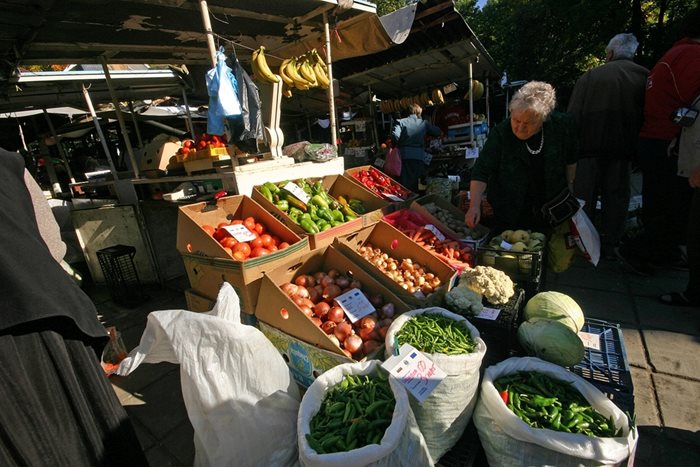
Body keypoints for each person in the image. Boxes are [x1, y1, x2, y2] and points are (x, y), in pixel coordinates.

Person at [0, 147, 148, 466]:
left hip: (16, 340)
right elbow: (52, 244)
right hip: (49, 315)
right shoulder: (7, 163)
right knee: (88, 429)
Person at [616, 8, 700, 276]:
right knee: (671, 208)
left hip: (655, 139)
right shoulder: (691, 56)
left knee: (660, 204)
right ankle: (642, 252)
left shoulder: (674, 55)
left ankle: (659, 252)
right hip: (669, 143)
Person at [567, 33, 649, 258]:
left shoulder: (592, 76)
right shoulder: (646, 77)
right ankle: (612, 243)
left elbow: (573, 116)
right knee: (617, 197)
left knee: (584, 197)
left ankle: (584, 243)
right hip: (624, 151)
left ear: (610, 53)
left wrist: (569, 151)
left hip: (589, 148)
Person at [466, 81, 578, 233]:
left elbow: (571, 159)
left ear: (542, 119)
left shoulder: (561, 126)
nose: (520, 127)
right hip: (509, 208)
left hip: (551, 205)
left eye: (528, 123)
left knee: (548, 246)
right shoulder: (501, 133)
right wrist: (474, 206)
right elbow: (482, 170)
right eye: (516, 120)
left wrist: (570, 187)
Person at [391, 103, 442, 191]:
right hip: (419, 156)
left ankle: (406, 200)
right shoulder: (423, 123)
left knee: (405, 182)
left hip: (404, 156)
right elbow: (437, 132)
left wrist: (399, 144)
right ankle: (417, 200)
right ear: (418, 112)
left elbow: (395, 135)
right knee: (418, 181)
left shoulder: (400, 122)